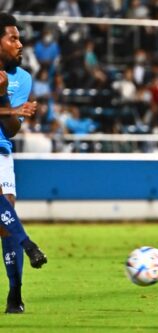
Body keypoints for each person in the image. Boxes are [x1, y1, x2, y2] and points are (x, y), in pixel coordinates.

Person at [0, 12, 48, 314]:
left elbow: (12, 129)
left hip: (2, 150)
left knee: (5, 220)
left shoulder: (22, 78)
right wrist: (10, 108)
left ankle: (15, 293)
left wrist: (5, 98)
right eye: (12, 38)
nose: (20, 43)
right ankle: (29, 244)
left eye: (19, 37)